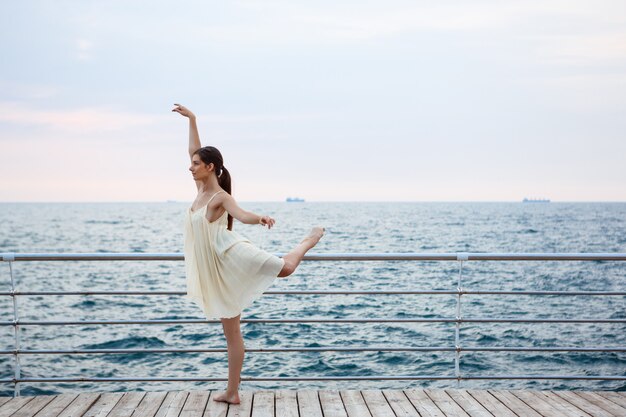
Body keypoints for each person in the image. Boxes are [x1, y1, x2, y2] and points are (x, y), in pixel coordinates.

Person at [172, 103, 324, 404]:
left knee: (285, 269)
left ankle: (309, 240)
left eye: (195, 163)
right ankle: (232, 392)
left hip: (229, 255)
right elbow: (194, 148)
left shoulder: (218, 196)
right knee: (232, 332)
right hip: (215, 267)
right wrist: (192, 119)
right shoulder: (200, 191)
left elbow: (240, 215)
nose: (190, 166)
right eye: (191, 162)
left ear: (210, 167)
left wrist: (261, 218)